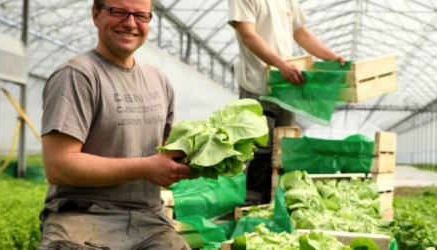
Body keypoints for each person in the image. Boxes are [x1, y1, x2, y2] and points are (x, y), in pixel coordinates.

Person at [37, 0, 191, 249]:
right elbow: (59, 167)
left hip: (149, 219)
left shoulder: (158, 80)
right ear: (96, 14)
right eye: (119, 12)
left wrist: (194, 159)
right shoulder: (77, 75)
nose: (130, 23)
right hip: (82, 217)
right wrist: (145, 168)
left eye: (141, 16)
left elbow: (164, 155)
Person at [228, 0, 346, 204]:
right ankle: (248, 206)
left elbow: (302, 33)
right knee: (257, 150)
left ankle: (272, 204)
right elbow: (248, 35)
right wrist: (281, 64)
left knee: (282, 148)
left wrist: (331, 57)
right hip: (259, 84)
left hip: (285, 87)